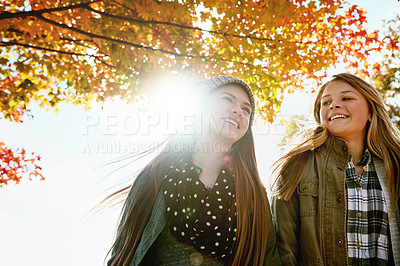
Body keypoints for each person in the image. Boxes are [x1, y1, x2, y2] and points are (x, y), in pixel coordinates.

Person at [107, 76, 280, 265]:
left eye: (246, 110)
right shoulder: (155, 177)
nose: (238, 111)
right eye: (227, 99)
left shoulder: (253, 194)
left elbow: (269, 258)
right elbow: (121, 254)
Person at [271, 73, 400, 265]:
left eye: (346, 98)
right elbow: (283, 248)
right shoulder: (296, 165)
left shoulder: (395, 166)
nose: (334, 105)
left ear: (370, 112)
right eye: (326, 102)